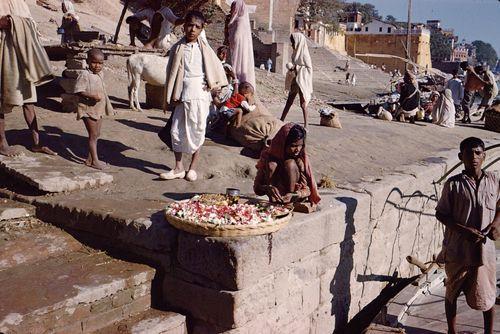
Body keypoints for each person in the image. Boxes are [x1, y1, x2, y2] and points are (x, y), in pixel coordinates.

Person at [435, 137, 499, 334]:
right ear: (460, 156)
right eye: (469, 153)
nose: (474, 157)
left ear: (484, 156)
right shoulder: (453, 185)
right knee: (452, 292)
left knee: (487, 294)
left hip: (484, 250)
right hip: (458, 249)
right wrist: (464, 230)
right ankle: (451, 331)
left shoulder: (494, 180)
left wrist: (496, 224)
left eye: (478, 153)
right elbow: (441, 213)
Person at [160, 11, 228, 181]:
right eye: (190, 25)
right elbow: (171, 73)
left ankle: (192, 168)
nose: (192, 29)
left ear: (201, 29)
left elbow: (215, 71)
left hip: (200, 94)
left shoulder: (205, 48)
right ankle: (178, 167)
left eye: (197, 27)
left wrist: (212, 85)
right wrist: (171, 94)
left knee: (198, 129)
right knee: (177, 130)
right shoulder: (177, 48)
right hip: (182, 94)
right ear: (184, 26)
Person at [0, 0, 56, 157]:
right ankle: (2, 143)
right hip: (4, 54)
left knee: (29, 100)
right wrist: (10, 21)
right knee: (1, 99)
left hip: (22, 55)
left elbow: (32, 25)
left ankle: (36, 143)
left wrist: (18, 22)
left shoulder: (21, 3)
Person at [254, 123, 320, 210]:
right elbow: (257, 188)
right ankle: (275, 201)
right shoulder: (267, 155)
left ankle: (289, 204)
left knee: (290, 164)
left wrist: (294, 195)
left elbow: (307, 190)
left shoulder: (300, 160)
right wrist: (268, 188)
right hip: (275, 197)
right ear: (283, 144)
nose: (297, 149)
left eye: (300, 145)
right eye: (293, 146)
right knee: (272, 164)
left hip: (294, 195)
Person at [73, 49, 114, 170]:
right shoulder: (84, 75)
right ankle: (95, 161)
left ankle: (89, 159)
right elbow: (78, 91)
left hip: (98, 109)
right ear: (88, 61)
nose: (97, 66)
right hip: (87, 109)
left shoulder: (100, 74)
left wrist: (108, 107)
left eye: (100, 63)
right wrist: (91, 96)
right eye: (94, 63)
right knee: (93, 134)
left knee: (97, 134)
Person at [280, 32, 313, 129]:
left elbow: (309, 69)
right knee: (289, 101)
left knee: (303, 104)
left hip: (302, 81)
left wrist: (296, 67)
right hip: (295, 79)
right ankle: (281, 120)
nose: (292, 44)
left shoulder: (304, 54)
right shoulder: (295, 53)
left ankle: (306, 125)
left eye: (293, 42)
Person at [225, 0, 256, 90]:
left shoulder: (239, 21)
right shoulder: (240, 20)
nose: (231, 10)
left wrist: (229, 37)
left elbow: (236, 38)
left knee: (235, 69)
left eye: (233, 8)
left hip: (236, 51)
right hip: (239, 50)